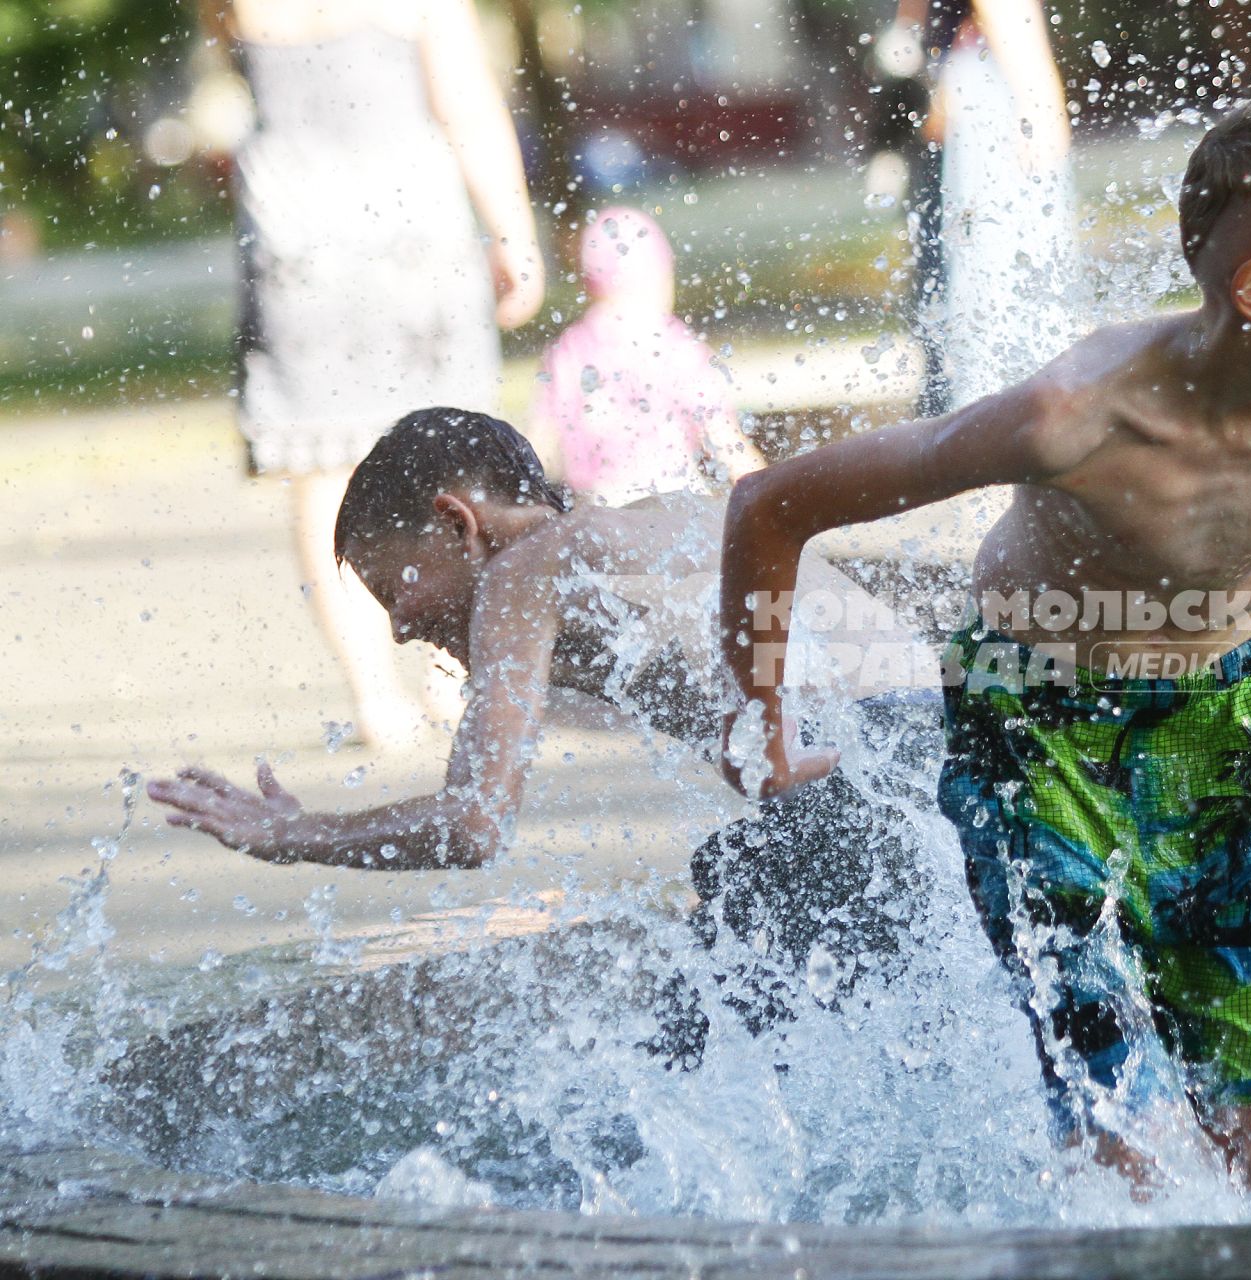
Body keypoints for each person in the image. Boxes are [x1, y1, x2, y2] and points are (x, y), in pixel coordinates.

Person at [716, 96, 1251, 1207]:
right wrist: (759, 726)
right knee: (1112, 1091)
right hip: (1035, 721)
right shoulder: (1073, 415)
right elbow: (772, 506)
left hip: (1241, 716)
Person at [147, 408, 905, 871]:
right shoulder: (640, 526)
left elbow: (473, 824)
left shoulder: (528, 570)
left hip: (867, 762)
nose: (403, 629)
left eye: (398, 591)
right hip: (936, 727)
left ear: (457, 523)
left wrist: (297, 833)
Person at [202, 0, 545, 751]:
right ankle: (452, 675)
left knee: (321, 471)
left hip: (296, 241)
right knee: (451, 461)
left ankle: (373, 697)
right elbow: (468, 107)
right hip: (412, 237)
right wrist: (514, 231)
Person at [881, 0, 1075, 413]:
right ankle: (1006, 419)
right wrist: (1039, 94)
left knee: (958, 280)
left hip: (962, 91)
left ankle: (959, 424)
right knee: (1005, 276)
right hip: (991, 89)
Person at [535, 206, 766, 506]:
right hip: (674, 503)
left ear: (589, 283)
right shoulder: (676, 348)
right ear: (660, 275)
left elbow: (538, 450)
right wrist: (776, 501)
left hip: (598, 507)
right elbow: (728, 447)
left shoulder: (569, 350)